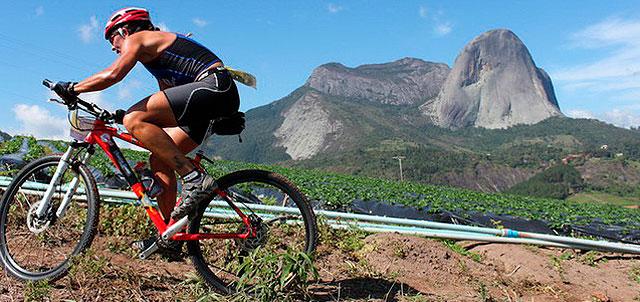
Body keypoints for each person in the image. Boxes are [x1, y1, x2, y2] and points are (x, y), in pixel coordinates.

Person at [53, 7, 240, 253]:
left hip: (214, 86)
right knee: (160, 158)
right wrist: (121, 116)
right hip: (209, 97)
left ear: (125, 30)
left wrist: (74, 88)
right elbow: (164, 103)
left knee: (135, 117)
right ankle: (172, 236)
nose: (112, 46)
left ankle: (194, 179)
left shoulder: (138, 38)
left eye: (112, 38)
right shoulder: (157, 59)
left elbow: (114, 74)